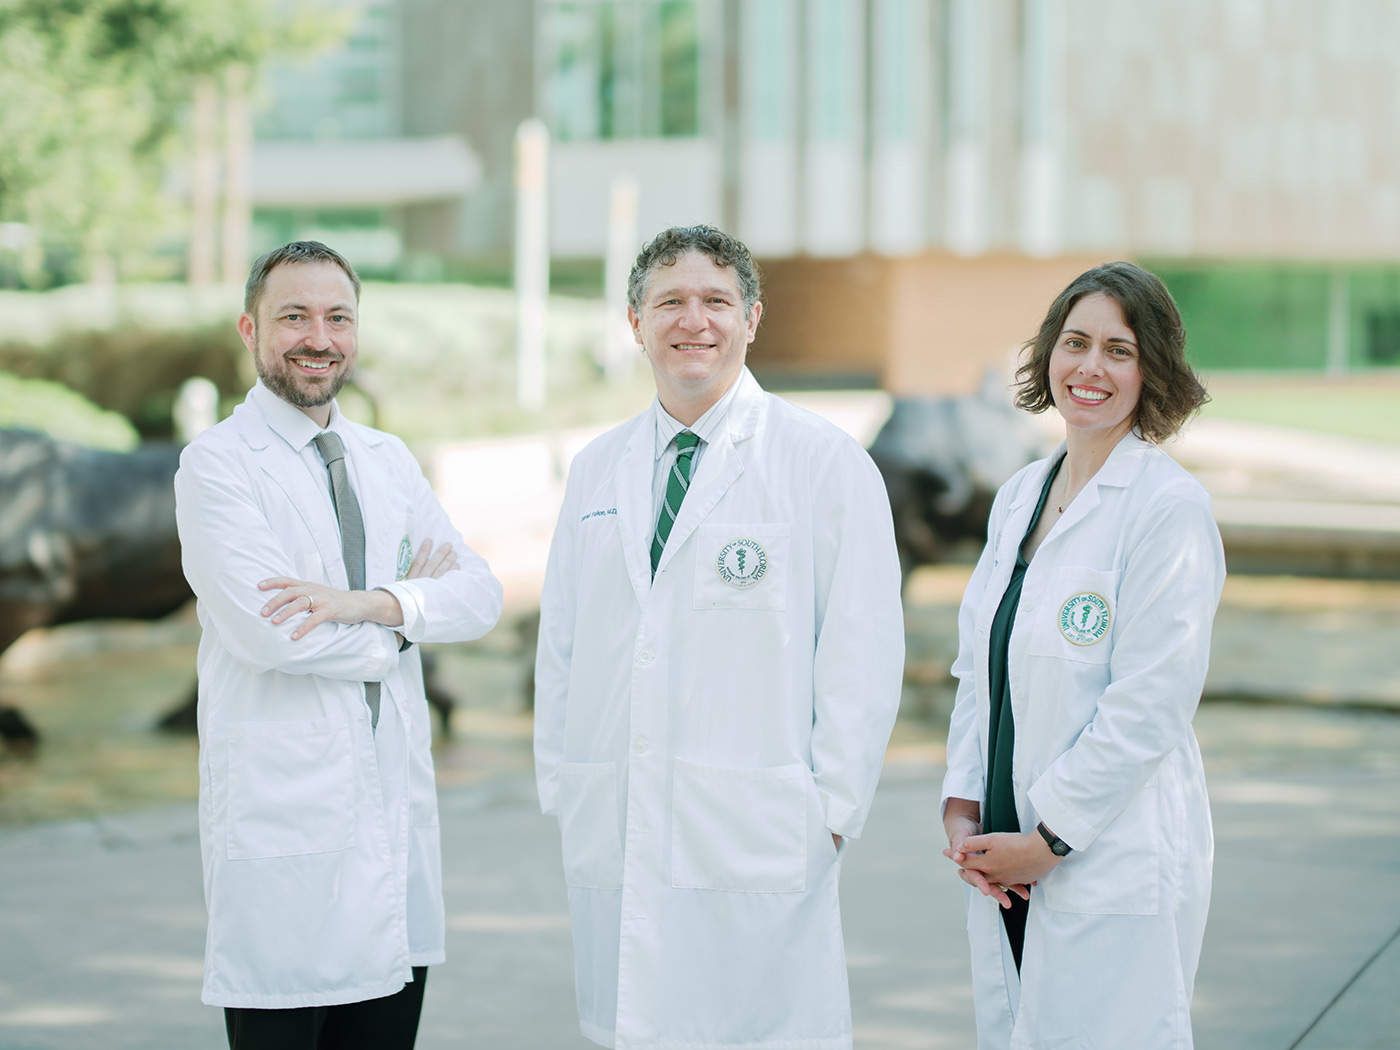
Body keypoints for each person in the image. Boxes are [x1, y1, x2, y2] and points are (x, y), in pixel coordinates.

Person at [533, 225, 905, 1050]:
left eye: (714, 302)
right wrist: (566, 784)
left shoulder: (823, 463)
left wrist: (831, 811)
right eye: (669, 302)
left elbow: (862, 652)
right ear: (636, 323)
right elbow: (563, 639)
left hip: (761, 832)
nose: (691, 321)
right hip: (620, 820)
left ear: (752, 318)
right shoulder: (598, 468)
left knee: (754, 1030)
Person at [175, 240, 503, 1049]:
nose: (318, 337)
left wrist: (364, 604)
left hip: (391, 822)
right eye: (294, 316)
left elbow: (482, 596)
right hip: (283, 826)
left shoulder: (386, 460)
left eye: (338, 317)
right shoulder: (217, 466)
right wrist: (406, 626)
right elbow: (273, 633)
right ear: (250, 329)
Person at [940, 261, 1225, 1047]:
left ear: (1153, 371)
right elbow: (980, 670)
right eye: (1074, 343)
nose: (1090, 368)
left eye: (1118, 350)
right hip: (1004, 844)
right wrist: (963, 804)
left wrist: (1051, 839)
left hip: (1101, 851)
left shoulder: (1169, 510)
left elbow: (1149, 706)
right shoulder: (1018, 497)